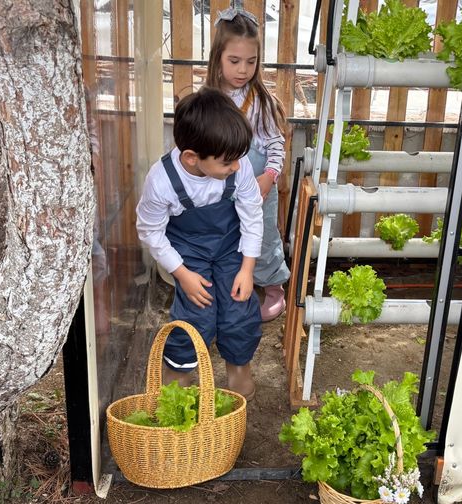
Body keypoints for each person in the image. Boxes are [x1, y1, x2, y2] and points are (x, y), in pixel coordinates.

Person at [136, 87, 263, 400]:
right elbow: (150, 230)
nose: (236, 167)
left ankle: (238, 374)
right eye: (227, 163)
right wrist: (182, 274)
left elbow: (251, 214)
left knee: (239, 309)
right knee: (195, 315)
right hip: (188, 251)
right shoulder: (162, 180)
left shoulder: (237, 163)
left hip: (231, 245)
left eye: (238, 160)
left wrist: (247, 268)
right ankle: (178, 382)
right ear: (192, 158)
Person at [206, 7, 291, 322]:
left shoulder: (260, 101)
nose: (243, 70)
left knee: (264, 235)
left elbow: (274, 143)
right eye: (234, 61)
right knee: (226, 234)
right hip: (219, 185)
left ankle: (273, 288)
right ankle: (231, 285)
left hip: (257, 186)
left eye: (251, 62)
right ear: (217, 58)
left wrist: (269, 176)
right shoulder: (209, 99)